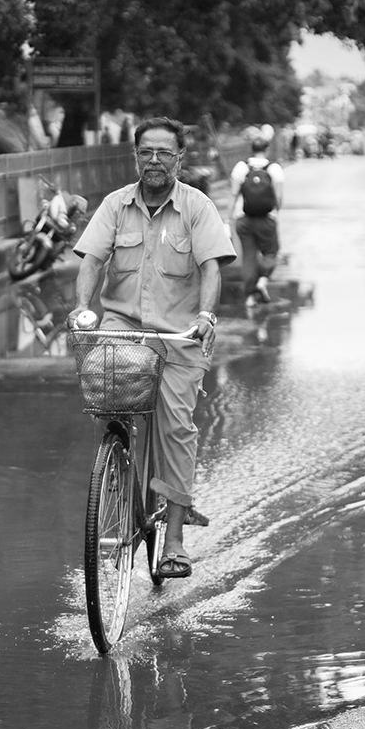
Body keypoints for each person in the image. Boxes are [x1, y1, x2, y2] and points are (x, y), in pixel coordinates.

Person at [69, 115, 235, 579]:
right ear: (136, 157)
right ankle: (118, 476)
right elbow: (92, 261)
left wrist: (206, 316)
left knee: (175, 427)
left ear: (179, 158)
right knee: (107, 402)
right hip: (124, 330)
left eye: (165, 152)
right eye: (147, 152)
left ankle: (175, 540)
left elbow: (212, 267)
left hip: (179, 336)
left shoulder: (197, 207)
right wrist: (82, 308)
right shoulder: (115, 205)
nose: (155, 160)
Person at [227, 125, 285, 311]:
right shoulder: (274, 169)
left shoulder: (241, 167)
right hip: (267, 219)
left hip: (244, 220)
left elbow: (233, 194)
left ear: (251, 149)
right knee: (271, 252)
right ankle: (263, 280)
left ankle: (250, 298)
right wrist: (275, 213)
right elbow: (279, 197)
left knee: (248, 258)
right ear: (267, 149)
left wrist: (229, 218)